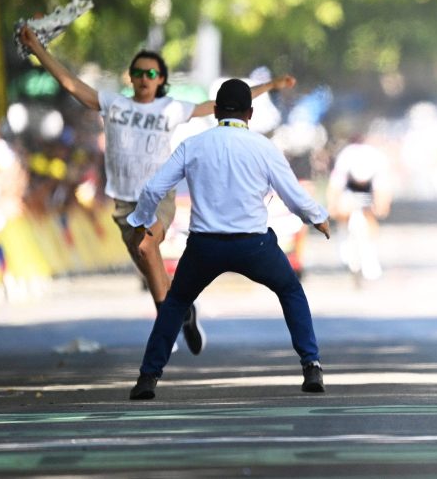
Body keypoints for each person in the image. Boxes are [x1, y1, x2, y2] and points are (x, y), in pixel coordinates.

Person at [18, 25, 295, 355]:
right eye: (138, 72)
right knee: (150, 270)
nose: (144, 77)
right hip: (124, 205)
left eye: (151, 72)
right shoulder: (115, 105)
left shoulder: (170, 109)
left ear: (160, 79)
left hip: (158, 197)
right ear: (130, 77)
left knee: (149, 249)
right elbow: (71, 83)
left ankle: (167, 326)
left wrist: (272, 85)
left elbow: (221, 103)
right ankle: (183, 313)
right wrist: (37, 49)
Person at [125, 79, 331, 399]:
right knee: (290, 289)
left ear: (216, 110)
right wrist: (317, 217)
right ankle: (312, 365)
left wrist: (140, 221)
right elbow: (291, 193)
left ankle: (147, 377)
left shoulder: (193, 145)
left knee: (176, 303)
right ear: (250, 113)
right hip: (255, 246)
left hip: (204, 247)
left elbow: (153, 188)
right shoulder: (263, 147)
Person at [326, 135, 392, 280]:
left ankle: (371, 256)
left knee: (370, 218)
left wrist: (381, 207)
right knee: (344, 211)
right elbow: (334, 187)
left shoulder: (377, 161)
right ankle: (344, 239)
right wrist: (333, 207)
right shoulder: (346, 159)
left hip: (370, 190)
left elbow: (383, 191)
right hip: (348, 188)